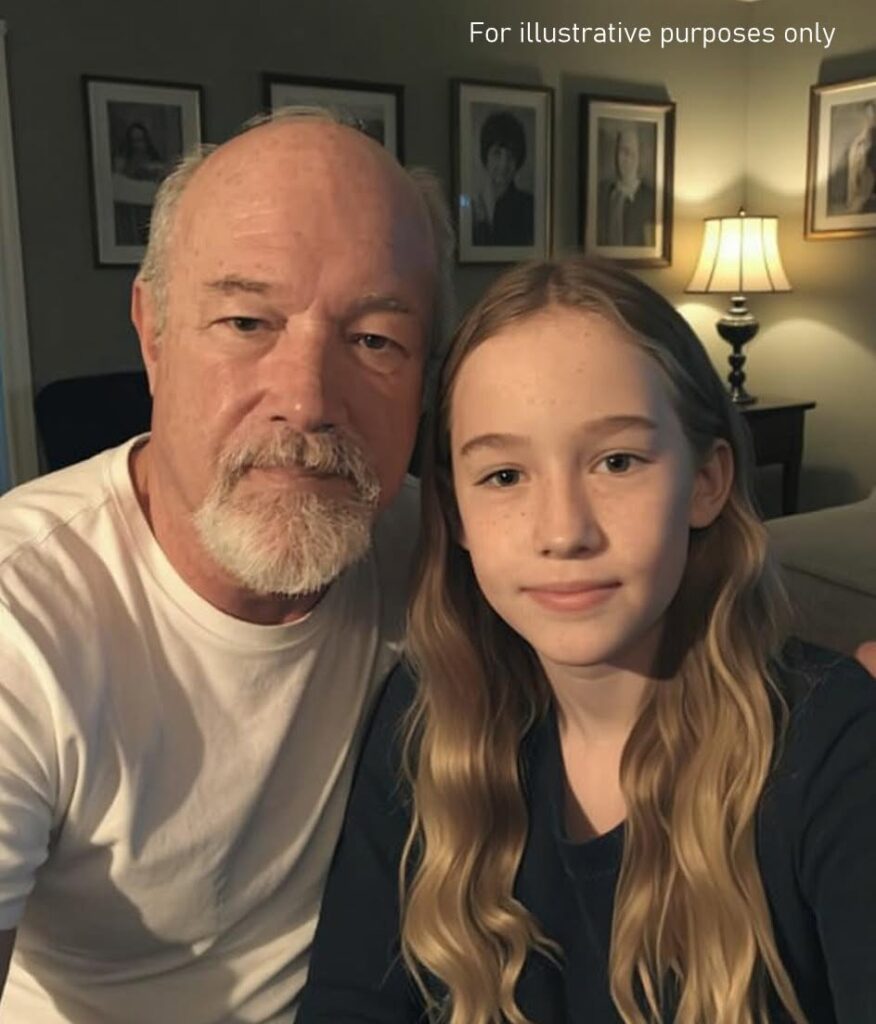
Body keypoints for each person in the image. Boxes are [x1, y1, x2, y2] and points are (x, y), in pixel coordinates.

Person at [299, 257, 876, 1023]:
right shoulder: (427, 719)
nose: (564, 531)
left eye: (617, 461)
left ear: (707, 482)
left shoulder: (831, 742)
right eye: (505, 476)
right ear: (457, 514)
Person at [0, 108, 452, 1022]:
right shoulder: (23, 616)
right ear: (153, 334)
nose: (307, 400)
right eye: (247, 321)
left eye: (374, 340)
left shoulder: (446, 552)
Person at [471, 110, 534, 247]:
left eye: (510, 156)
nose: (503, 164)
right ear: (485, 156)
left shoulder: (529, 206)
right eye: (497, 153)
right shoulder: (472, 204)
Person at [597, 126, 655, 247]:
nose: (627, 158)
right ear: (616, 155)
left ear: (640, 157)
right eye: (623, 151)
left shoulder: (651, 199)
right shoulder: (601, 193)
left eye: (632, 152)